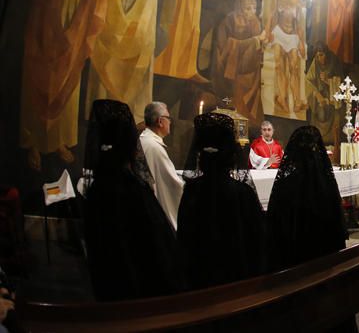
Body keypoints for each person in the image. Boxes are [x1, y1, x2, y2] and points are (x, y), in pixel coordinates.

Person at [19, 0, 111, 170]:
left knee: (68, 80)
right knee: (41, 78)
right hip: (51, 17)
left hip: (79, 20)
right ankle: (34, 141)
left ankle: (60, 140)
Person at [83, 99, 183, 301]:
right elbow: (155, 251)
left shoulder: (95, 189)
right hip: (137, 297)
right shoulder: (132, 190)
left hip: (105, 291)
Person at [177, 112, 267, 289]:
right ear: (231, 154)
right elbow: (257, 244)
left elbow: (184, 241)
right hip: (238, 283)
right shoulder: (242, 192)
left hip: (198, 285)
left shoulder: (191, 191)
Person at [265, 125, 347, 271]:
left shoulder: (286, 183)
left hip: (293, 266)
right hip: (326, 263)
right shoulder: (327, 182)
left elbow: (275, 225)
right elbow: (337, 225)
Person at [211, 0, 266, 123]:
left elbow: (256, 47)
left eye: (254, 8)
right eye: (248, 8)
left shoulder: (255, 22)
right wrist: (255, 40)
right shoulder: (228, 21)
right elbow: (224, 45)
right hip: (228, 61)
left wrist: (260, 42)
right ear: (240, 9)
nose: (252, 12)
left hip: (247, 63)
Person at [139, 101, 184, 231]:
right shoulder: (154, 147)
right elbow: (172, 184)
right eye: (168, 118)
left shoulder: (145, 139)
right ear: (160, 122)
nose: (170, 122)